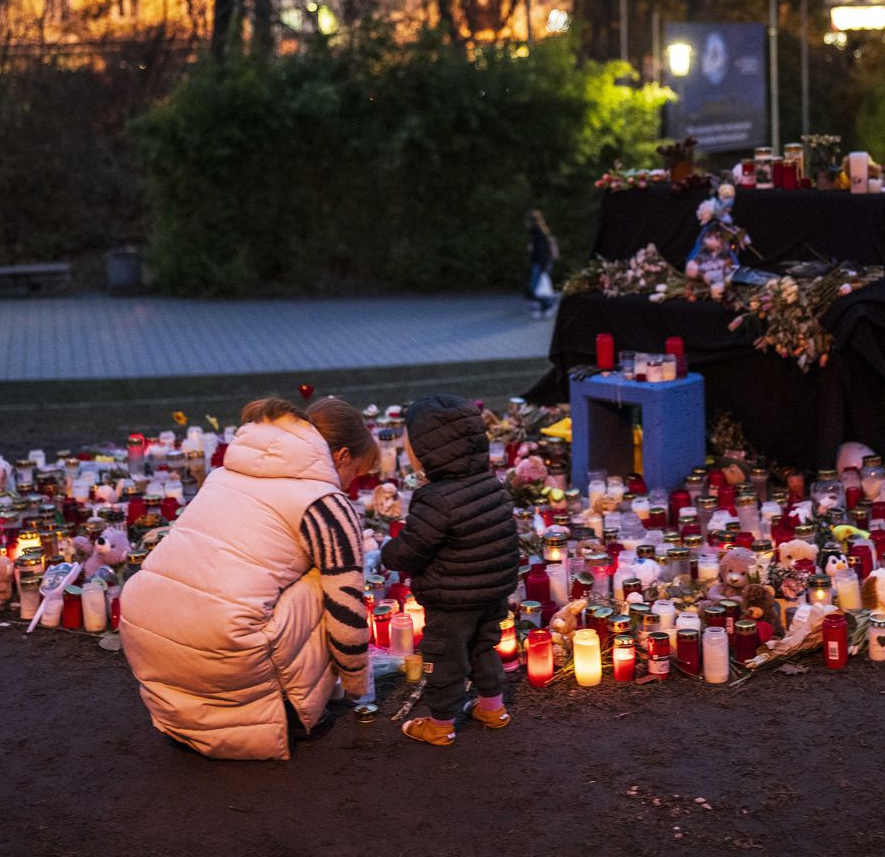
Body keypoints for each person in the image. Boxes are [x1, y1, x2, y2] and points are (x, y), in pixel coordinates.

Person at [119, 396, 378, 760]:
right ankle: (291, 711)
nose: (351, 485)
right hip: (224, 645)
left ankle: (195, 720)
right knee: (329, 582)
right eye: (358, 474)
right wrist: (357, 685)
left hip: (145, 630)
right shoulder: (324, 504)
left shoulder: (225, 474)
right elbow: (346, 616)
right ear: (342, 457)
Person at [380, 394, 519, 747]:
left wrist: (388, 554)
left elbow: (413, 548)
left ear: (428, 451)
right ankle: (492, 707)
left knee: (444, 658)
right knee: (484, 646)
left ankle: (441, 723)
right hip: (492, 592)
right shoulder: (492, 485)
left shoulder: (436, 498)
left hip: (451, 597)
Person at [525, 210, 560, 318]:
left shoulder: (538, 234)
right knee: (541, 287)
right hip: (543, 263)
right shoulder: (541, 232)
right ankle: (545, 307)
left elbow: (540, 251)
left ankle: (547, 306)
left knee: (538, 287)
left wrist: (542, 265)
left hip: (540, 263)